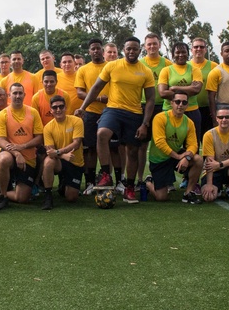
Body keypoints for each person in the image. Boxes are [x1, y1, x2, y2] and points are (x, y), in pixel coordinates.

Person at [75, 36, 156, 204]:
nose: (131, 51)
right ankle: (105, 175)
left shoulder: (145, 71)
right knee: (102, 134)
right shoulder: (112, 66)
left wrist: (145, 124)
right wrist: (83, 107)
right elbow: (96, 88)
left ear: (139, 50)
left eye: (135, 49)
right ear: (123, 50)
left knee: (132, 151)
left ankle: (130, 188)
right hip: (113, 110)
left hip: (134, 113)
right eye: (128, 49)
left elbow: (150, 100)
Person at [0, 83, 44, 210]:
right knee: (4, 159)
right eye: (15, 93)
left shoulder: (33, 112)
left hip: (29, 158)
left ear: (24, 95)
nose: (17, 96)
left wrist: (23, 147)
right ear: (9, 95)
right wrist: (17, 153)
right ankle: (3, 196)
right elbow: (0, 140)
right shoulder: (2, 114)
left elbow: (39, 138)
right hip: (10, 154)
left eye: (20, 93)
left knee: (22, 199)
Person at [146, 92, 201, 203]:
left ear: (187, 105)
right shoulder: (160, 118)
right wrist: (178, 156)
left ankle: (188, 193)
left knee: (198, 159)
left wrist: (187, 158)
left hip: (175, 156)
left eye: (184, 102)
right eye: (177, 102)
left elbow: (193, 144)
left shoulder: (189, 122)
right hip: (159, 159)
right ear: (171, 103)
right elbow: (159, 142)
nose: (180, 105)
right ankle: (148, 182)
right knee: (161, 198)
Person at [136, 33, 172, 190]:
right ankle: (139, 179)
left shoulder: (167, 64)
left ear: (159, 45)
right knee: (141, 145)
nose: (152, 46)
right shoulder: (140, 63)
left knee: (163, 144)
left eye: (154, 44)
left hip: (163, 107)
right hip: (142, 107)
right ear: (145, 47)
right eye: (149, 44)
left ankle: (167, 180)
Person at [73, 39, 110, 194]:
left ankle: (113, 179)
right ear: (89, 51)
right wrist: (99, 98)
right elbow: (80, 92)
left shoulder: (111, 66)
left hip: (110, 112)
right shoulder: (83, 69)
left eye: (98, 48)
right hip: (90, 113)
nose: (95, 51)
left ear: (102, 50)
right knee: (90, 149)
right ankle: (90, 181)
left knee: (113, 148)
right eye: (92, 49)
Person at [41, 96, 83, 210]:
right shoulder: (48, 127)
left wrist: (58, 152)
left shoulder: (76, 121)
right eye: (55, 107)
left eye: (61, 106)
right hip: (60, 160)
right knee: (48, 161)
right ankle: (48, 196)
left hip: (75, 161)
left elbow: (77, 143)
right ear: (51, 110)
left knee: (71, 198)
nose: (58, 110)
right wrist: (63, 155)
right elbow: (50, 152)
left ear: (66, 108)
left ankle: (64, 184)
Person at [158, 42, 205, 145]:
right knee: (171, 144)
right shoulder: (166, 70)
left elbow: (196, 90)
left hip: (192, 111)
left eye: (184, 52)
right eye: (177, 52)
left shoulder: (195, 70)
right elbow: (163, 93)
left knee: (192, 145)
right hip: (169, 111)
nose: (181, 55)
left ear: (188, 54)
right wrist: (189, 88)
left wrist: (174, 88)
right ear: (173, 54)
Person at [199, 108, 229, 202]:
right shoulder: (209, 135)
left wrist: (220, 164)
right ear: (216, 119)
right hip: (213, 171)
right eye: (221, 117)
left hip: (228, 169)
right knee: (209, 197)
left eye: (227, 117)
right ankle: (218, 188)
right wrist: (209, 184)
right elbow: (210, 162)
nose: (224, 120)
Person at [190, 37, 218, 134]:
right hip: (190, 108)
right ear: (191, 49)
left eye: (201, 47)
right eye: (196, 47)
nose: (198, 49)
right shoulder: (186, 66)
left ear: (206, 50)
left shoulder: (214, 66)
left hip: (208, 110)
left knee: (208, 139)